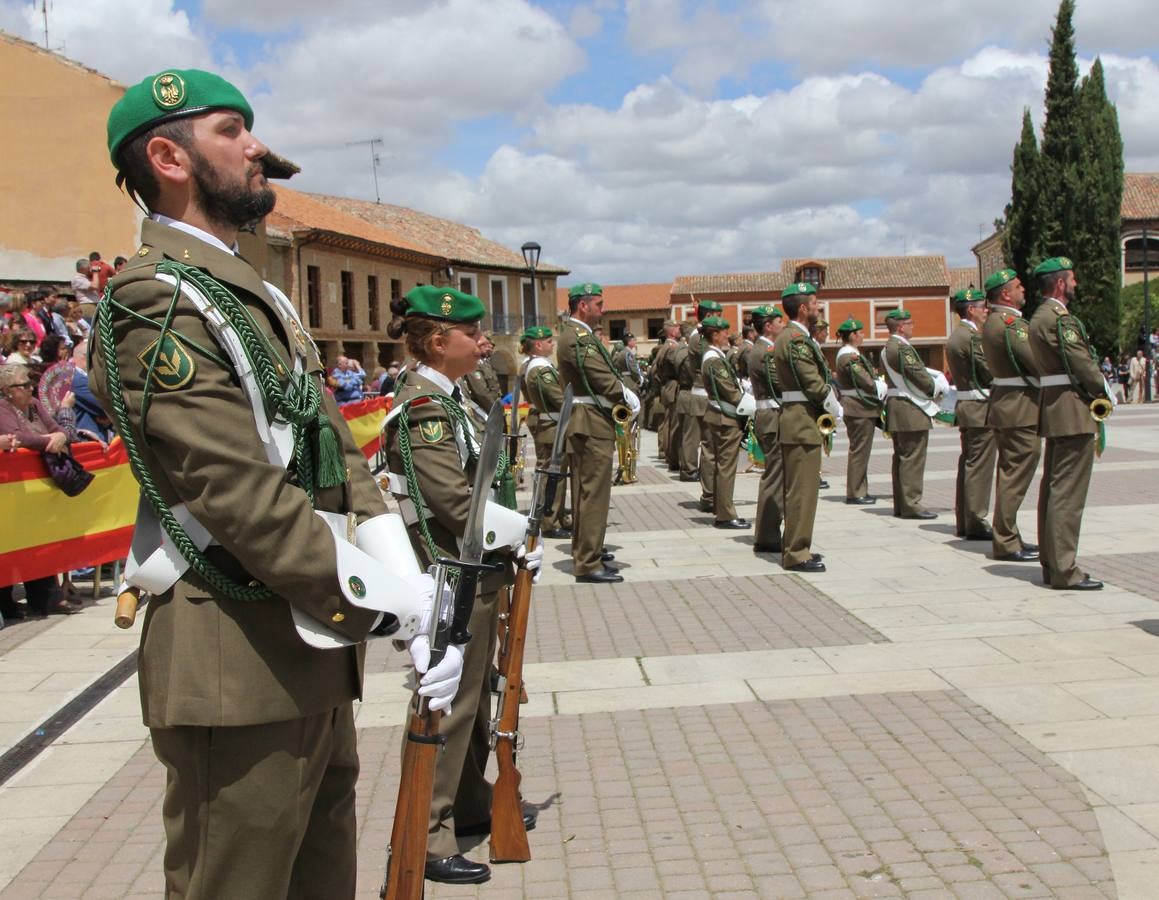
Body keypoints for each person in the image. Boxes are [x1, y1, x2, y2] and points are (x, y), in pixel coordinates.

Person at [89, 68, 460, 898]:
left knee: (319, 881)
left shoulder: (249, 295)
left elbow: (331, 453)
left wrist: (412, 583)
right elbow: (240, 495)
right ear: (167, 156)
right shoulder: (156, 303)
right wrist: (385, 607)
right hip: (236, 653)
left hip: (303, 641)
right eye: (231, 130)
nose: (257, 147)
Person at [382, 286, 541, 885]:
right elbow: (453, 500)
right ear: (436, 340)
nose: (484, 343)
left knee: (474, 701)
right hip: (453, 572)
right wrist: (519, 533)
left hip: (475, 566)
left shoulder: (453, 400)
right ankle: (427, 832)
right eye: (472, 335)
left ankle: (470, 803)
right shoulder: (424, 408)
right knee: (446, 707)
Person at [1026, 257, 1108, 590]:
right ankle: (1064, 568)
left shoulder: (1037, 318)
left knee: (1054, 488)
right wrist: (1102, 391)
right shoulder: (1060, 319)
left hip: (1054, 406)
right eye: (1072, 279)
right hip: (1073, 407)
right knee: (1067, 493)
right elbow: (1082, 364)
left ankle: (1052, 563)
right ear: (1060, 283)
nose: (1075, 284)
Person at [558, 282, 638, 584]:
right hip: (589, 421)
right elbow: (602, 377)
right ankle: (588, 562)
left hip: (589, 418)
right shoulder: (578, 338)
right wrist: (626, 395)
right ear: (583, 306)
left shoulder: (580, 336)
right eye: (599, 305)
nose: (603, 310)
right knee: (593, 495)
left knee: (586, 493)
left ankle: (587, 553)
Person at [0, 363, 80, 618]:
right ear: (7, 390)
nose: (28, 388)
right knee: (15, 545)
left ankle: (46, 599)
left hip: (42, 485)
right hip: (16, 490)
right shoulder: (3, 409)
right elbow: (17, 437)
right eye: (22, 385)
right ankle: (9, 603)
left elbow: (58, 429)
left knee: (42, 543)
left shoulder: (34, 404)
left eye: (29, 383)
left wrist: (59, 438)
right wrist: (49, 441)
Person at [773, 282, 840, 572]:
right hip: (801, 420)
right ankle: (797, 552)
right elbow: (811, 380)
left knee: (802, 490)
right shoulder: (796, 339)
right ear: (803, 308)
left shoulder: (795, 337)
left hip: (799, 418)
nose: (818, 307)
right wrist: (831, 402)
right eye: (814, 303)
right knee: (802, 491)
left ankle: (797, 545)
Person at [981, 269, 1040, 563]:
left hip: (1008, 404)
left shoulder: (997, 321)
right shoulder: (1009, 323)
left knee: (1010, 473)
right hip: (1018, 407)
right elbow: (1034, 359)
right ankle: (1005, 538)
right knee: (1016, 474)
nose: (1023, 290)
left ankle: (1009, 534)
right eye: (1017, 287)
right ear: (1005, 294)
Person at [881, 308, 946, 519]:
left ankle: (902, 503)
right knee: (912, 457)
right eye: (910, 323)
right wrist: (935, 387)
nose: (912, 326)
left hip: (898, 406)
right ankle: (912, 504)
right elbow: (919, 375)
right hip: (909, 407)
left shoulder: (888, 347)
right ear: (901, 326)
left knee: (902, 457)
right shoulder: (901, 348)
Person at [946, 289, 996, 540]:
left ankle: (965, 519)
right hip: (980, 407)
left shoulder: (958, 335)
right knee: (979, 467)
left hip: (969, 406)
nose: (986, 310)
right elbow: (988, 369)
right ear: (970, 310)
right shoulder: (972, 337)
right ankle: (976, 519)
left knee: (968, 464)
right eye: (982, 306)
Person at [520, 324, 571, 538]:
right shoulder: (541, 369)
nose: (553, 344)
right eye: (549, 341)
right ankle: (548, 522)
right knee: (553, 476)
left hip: (552, 425)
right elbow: (559, 399)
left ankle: (556, 515)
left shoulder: (537, 365)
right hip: (551, 426)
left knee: (556, 475)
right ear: (538, 345)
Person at [700, 315, 750, 529]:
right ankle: (725, 514)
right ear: (715, 334)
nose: (727, 335)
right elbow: (729, 392)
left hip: (721, 415)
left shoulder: (715, 357)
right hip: (725, 417)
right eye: (724, 332)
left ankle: (722, 510)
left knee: (723, 466)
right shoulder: (714, 360)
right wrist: (751, 405)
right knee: (726, 467)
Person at [746, 305, 787, 551]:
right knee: (775, 476)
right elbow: (781, 383)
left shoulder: (762, 349)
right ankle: (768, 535)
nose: (783, 325)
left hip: (770, 414)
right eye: (779, 322)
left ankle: (768, 533)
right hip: (772, 415)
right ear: (769, 326)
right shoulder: (765, 352)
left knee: (776, 475)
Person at [677, 299, 723, 509]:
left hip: (707, 393)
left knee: (709, 445)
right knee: (707, 446)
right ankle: (708, 492)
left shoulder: (702, 337)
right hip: (702, 394)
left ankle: (712, 491)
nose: (721, 320)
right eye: (717, 315)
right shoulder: (698, 338)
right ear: (706, 316)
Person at [834, 317, 883, 505]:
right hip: (858, 406)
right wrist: (877, 386)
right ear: (852, 335)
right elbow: (865, 380)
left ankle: (861, 489)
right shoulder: (849, 356)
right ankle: (855, 492)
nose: (862, 336)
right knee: (860, 451)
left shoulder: (850, 353)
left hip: (859, 406)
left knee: (861, 451)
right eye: (860, 332)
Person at [652, 321, 683, 472]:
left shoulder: (664, 347)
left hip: (667, 386)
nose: (679, 330)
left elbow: (654, 372)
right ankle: (672, 456)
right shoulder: (672, 348)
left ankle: (668, 454)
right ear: (671, 331)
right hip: (673, 386)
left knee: (669, 422)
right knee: (673, 424)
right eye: (677, 328)